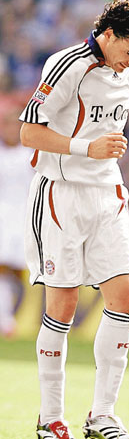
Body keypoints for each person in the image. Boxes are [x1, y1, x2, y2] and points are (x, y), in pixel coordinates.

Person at [19, 0, 129, 439]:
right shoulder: (67, 64)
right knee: (62, 306)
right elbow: (28, 133)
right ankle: (51, 418)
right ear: (110, 34)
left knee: (126, 297)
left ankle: (102, 413)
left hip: (108, 193)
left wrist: (102, 155)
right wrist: (88, 148)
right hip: (61, 194)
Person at [0, 107, 34, 338]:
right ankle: (6, 319)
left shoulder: (31, 156)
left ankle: (12, 313)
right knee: (2, 267)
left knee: (19, 271)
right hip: (2, 218)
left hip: (24, 219)